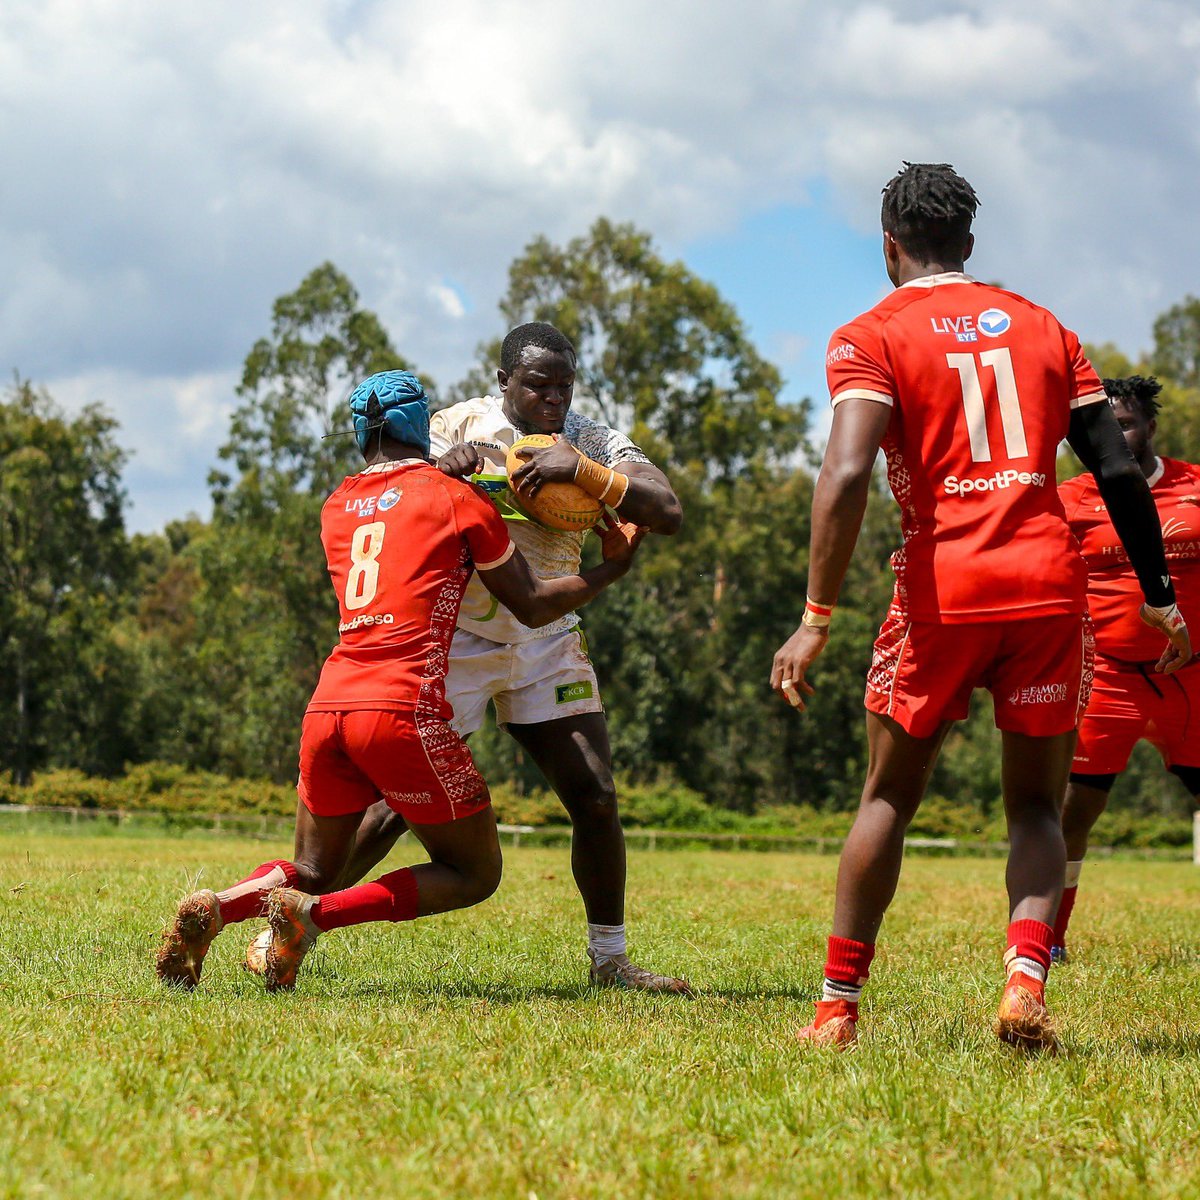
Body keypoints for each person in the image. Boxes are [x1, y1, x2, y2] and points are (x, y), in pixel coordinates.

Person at [770, 163, 1191, 1050]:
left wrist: (816, 616)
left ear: (890, 245)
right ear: (969, 242)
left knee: (887, 797)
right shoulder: (1045, 327)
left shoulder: (870, 334)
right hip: (1047, 588)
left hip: (942, 591)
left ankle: (837, 1010)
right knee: (1037, 808)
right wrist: (1159, 596)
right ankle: (1024, 981)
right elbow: (1116, 470)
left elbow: (845, 473)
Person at [156, 370, 645, 991]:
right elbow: (532, 603)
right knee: (474, 873)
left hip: (328, 704)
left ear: (360, 434)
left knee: (310, 865)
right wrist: (613, 568)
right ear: (425, 426)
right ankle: (314, 916)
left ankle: (220, 906)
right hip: (400, 708)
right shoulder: (459, 501)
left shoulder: (335, 505)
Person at [259, 322, 692, 994]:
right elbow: (387, 493)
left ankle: (611, 962)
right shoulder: (453, 427)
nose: (552, 399)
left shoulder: (592, 438)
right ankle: (290, 926)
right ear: (503, 382)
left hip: (545, 634)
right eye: (537, 386)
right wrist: (440, 468)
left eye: (562, 386)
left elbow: (666, 508)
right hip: (457, 638)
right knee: (393, 808)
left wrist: (582, 471)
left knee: (596, 796)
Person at [1052, 375, 1200, 962]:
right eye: (1106, 426)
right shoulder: (1068, 499)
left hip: (1192, 679)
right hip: (1107, 677)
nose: (1118, 434)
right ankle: (1050, 939)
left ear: (1152, 427)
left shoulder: (1195, 486)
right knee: (1071, 812)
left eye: (1129, 423)